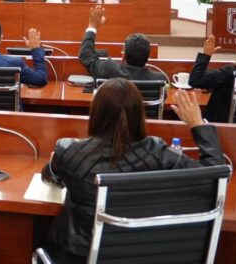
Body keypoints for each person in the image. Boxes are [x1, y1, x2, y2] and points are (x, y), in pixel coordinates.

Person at [40, 80, 225, 263]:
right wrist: (197, 124)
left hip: (79, 255)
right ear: (139, 114)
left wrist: (58, 162)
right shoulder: (156, 153)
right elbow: (216, 177)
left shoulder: (69, 151)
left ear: (95, 113)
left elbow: (50, 177)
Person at [79, 5, 165, 81]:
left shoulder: (110, 70)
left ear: (124, 56)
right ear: (148, 57)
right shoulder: (160, 79)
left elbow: (85, 56)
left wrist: (92, 26)